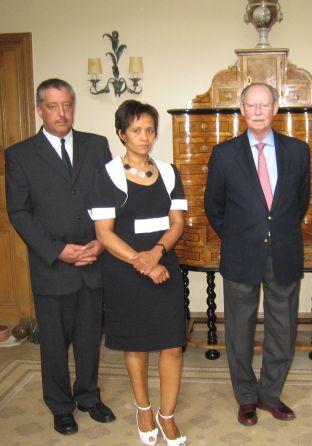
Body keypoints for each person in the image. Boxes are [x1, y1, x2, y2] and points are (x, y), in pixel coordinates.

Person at [5, 78, 115, 435]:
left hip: (93, 258)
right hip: (52, 264)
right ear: (40, 110)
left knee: (88, 335)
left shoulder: (96, 146)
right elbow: (19, 212)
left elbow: (110, 199)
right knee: (53, 341)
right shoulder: (20, 155)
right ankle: (60, 404)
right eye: (53, 106)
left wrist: (103, 241)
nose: (61, 113)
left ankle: (87, 395)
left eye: (67, 105)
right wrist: (57, 251)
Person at [204, 83, 311, 427]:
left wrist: (274, 232)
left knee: (283, 328)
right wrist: (238, 236)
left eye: (265, 105)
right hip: (240, 254)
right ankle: (246, 397)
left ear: (276, 109)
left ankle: (270, 394)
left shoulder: (298, 151)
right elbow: (213, 206)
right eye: (252, 105)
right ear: (242, 110)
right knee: (239, 330)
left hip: (283, 252)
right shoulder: (224, 154)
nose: (259, 111)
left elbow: (300, 202)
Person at [89, 100, 187, 446]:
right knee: (137, 345)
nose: (144, 137)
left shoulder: (170, 172)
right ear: (121, 134)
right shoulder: (108, 175)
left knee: (173, 345)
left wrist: (156, 255)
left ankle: (167, 415)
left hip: (165, 267)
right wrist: (141, 262)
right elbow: (104, 233)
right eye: (136, 130)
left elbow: (177, 224)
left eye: (149, 130)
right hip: (125, 271)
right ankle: (144, 408)